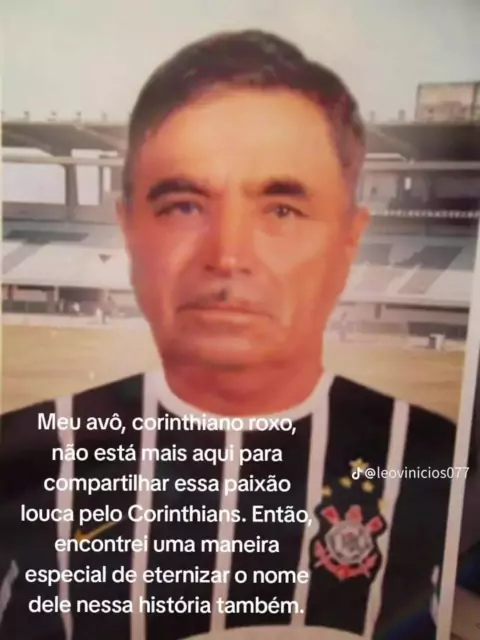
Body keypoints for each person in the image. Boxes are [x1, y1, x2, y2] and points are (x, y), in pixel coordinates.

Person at [0, 30, 469, 640]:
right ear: (128, 229)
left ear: (349, 239)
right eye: (183, 205)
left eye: (281, 209)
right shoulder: (24, 451)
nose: (227, 256)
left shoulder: (438, 458)